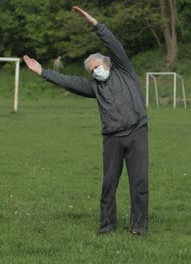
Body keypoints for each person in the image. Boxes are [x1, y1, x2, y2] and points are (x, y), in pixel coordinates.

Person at [23, 6, 149, 235]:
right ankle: (107, 227)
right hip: (112, 138)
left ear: (107, 63)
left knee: (139, 185)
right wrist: (43, 72)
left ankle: (139, 228)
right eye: (91, 71)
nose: (95, 72)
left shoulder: (124, 70)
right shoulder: (93, 87)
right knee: (109, 185)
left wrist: (94, 23)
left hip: (137, 133)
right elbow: (68, 81)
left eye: (97, 67)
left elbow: (113, 44)